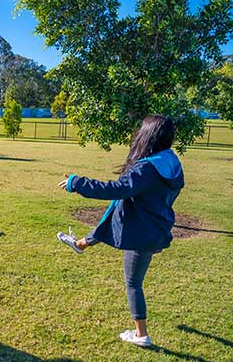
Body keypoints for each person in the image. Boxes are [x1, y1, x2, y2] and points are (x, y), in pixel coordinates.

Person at [57, 115, 185, 347]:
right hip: (156, 225)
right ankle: (80, 245)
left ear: (147, 135)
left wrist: (77, 183)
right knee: (115, 217)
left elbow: (116, 190)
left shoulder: (147, 168)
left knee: (133, 283)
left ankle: (141, 335)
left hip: (143, 233)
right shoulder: (171, 161)